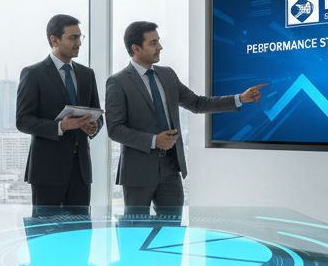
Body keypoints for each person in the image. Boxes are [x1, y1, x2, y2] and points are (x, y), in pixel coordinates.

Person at [105, 20, 266, 212]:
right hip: (138, 172)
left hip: (171, 168)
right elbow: (115, 129)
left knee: (173, 232)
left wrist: (239, 98)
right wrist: (155, 141)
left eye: (159, 41)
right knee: (136, 233)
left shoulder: (167, 75)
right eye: (153, 43)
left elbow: (197, 103)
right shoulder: (118, 82)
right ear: (136, 48)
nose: (160, 47)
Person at [15, 14, 103, 208]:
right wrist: (60, 127)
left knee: (80, 233)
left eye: (80, 37)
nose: (79, 42)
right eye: (73, 38)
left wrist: (93, 126)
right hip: (47, 171)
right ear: (54, 40)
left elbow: (98, 114)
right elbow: (23, 120)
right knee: (45, 234)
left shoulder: (87, 74)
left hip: (81, 172)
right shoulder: (33, 74)